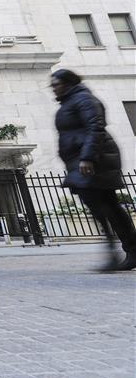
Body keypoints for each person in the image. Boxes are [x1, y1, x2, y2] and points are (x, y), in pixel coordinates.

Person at [51, 69, 136, 271]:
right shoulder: (71, 102)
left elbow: (95, 127)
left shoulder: (84, 99)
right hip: (82, 159)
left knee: (105, 207)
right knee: (105, 206)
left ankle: (120, 251)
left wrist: (88, 157)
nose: (53, 88)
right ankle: (124, 250)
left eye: (57, 84)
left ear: (68, 83)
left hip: (94, 159)